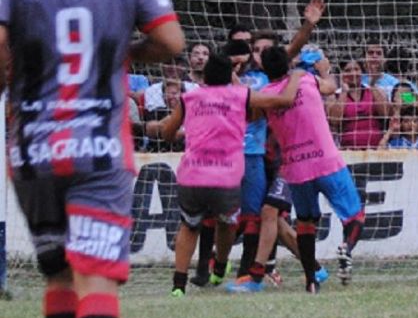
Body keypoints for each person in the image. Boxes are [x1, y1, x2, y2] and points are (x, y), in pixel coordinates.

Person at [0, 0, 186, 318]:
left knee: (59, 273)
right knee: (96, 278)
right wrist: (121, 50)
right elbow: (172, 42)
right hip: (100, 146)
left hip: (34, 148)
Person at [152, 54, 304, 297]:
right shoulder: (241, 95)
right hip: (226, 177)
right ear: (231, 76)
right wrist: (296, 76)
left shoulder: (188, 97)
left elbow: (168, 133)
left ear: (205, 75)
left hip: (192, 174)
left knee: (189, 226)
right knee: (227, 223)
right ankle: (220, 267)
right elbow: (283, 100)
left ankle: (178, 286)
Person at [256, 46, 365, 293]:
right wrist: (325, 70)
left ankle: (310, 281)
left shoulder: (264, 96)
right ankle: (346, 248)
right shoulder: (306, 79)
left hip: (296, 168)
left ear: (264, 69)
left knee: (305, 225)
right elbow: (330, 86)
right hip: (326, 161)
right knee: (355, 216)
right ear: (288, 65)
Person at [327, 58, 391, 149]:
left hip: (377, 148)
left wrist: (372, 86)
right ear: (341, 74)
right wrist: (344, 92)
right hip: (348, 150)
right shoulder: (335, 95)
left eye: (356, 69)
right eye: (348, 70)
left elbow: (385, 113)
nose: (353, 73)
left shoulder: (381, 88)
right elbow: (334, 121)